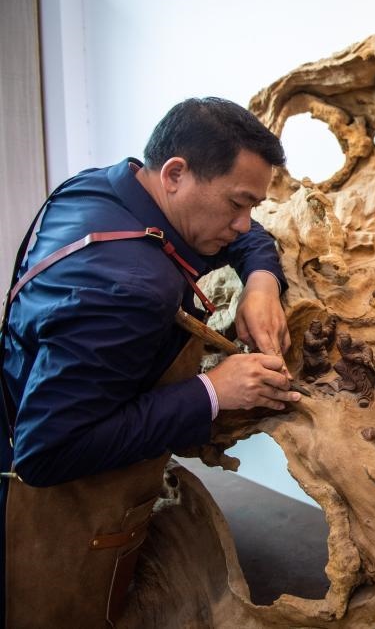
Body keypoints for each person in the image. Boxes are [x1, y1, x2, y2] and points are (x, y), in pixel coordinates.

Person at [0, 97, 296, 625]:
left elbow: (245, 236)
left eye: (253, 206)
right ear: (176, 173)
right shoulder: (127, 287)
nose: (244, 223)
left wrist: (261, 282)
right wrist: (213, 391)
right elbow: (47, 452)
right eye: (237, 203)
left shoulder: (106, 188)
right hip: (44, 511)